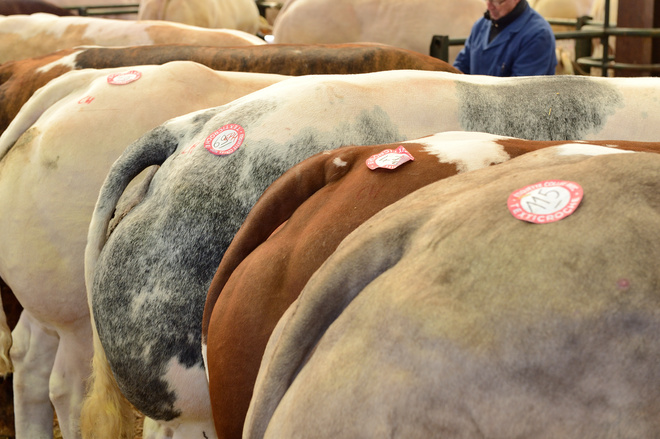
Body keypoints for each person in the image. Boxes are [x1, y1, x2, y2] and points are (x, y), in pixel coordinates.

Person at [453, 0, 557, 76]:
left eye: (498, 1)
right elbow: (461, 66)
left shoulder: (538, 35)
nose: (489, 7)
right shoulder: (480, 25)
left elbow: (523, 94)